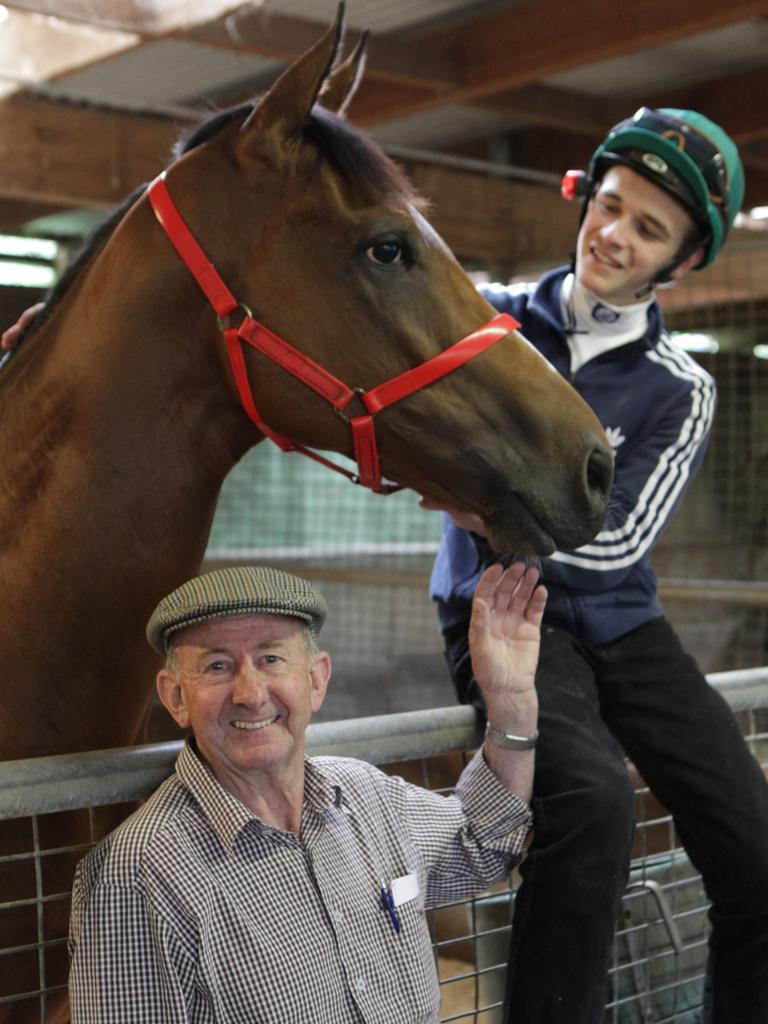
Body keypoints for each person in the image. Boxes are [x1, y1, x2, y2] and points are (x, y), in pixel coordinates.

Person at [429, 107, 768, 1023]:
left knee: (757, 845)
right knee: (593, 802)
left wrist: (488, 504)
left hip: (625, 620)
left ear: (683, 262)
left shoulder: (680, 385)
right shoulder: (488, 324)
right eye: (609, 205)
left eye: (648, 228)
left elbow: (620, 543)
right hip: (505, 609)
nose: (613, 236)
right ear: (583, 195)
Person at [68, 561, 545, 1023]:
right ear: (175, 697)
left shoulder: (366, 797)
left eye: (271, 659)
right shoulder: (135, 879)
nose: (251, 693)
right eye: (217, 666)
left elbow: (482, 841)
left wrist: (510, 704)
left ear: (316, 679)